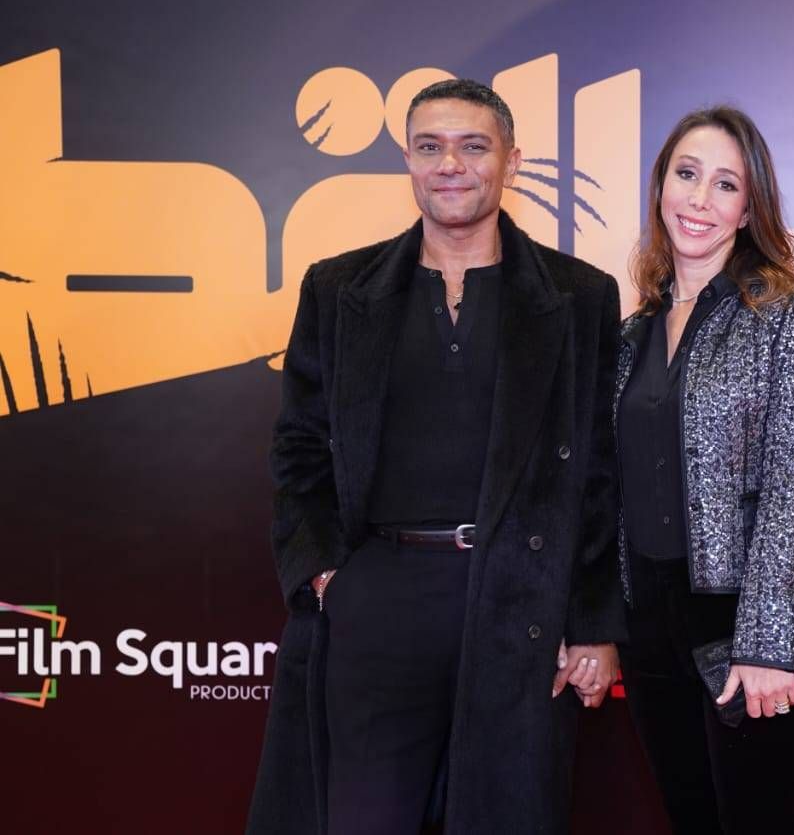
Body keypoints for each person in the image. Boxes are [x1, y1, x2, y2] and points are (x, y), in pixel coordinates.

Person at [246, 78, 624, 835]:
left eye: (473, 146)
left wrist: (592, 622)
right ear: (409, 162)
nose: (450, 164)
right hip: (378, 597)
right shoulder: (338, 288)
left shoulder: (580, 296)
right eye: (430, 147)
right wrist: (325, 573)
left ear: (511, 160)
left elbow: (597, 470)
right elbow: (299, 447)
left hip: (518, 601)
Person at [614, 106, 794, 834]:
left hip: (740, 619)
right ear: (661, 187)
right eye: (686, 175)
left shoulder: (792, 315)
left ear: (748, 209)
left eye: (725, 184)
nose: (700, 199)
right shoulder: (631, 332)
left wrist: (768, 643)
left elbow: (793, 488)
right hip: (647, 623)